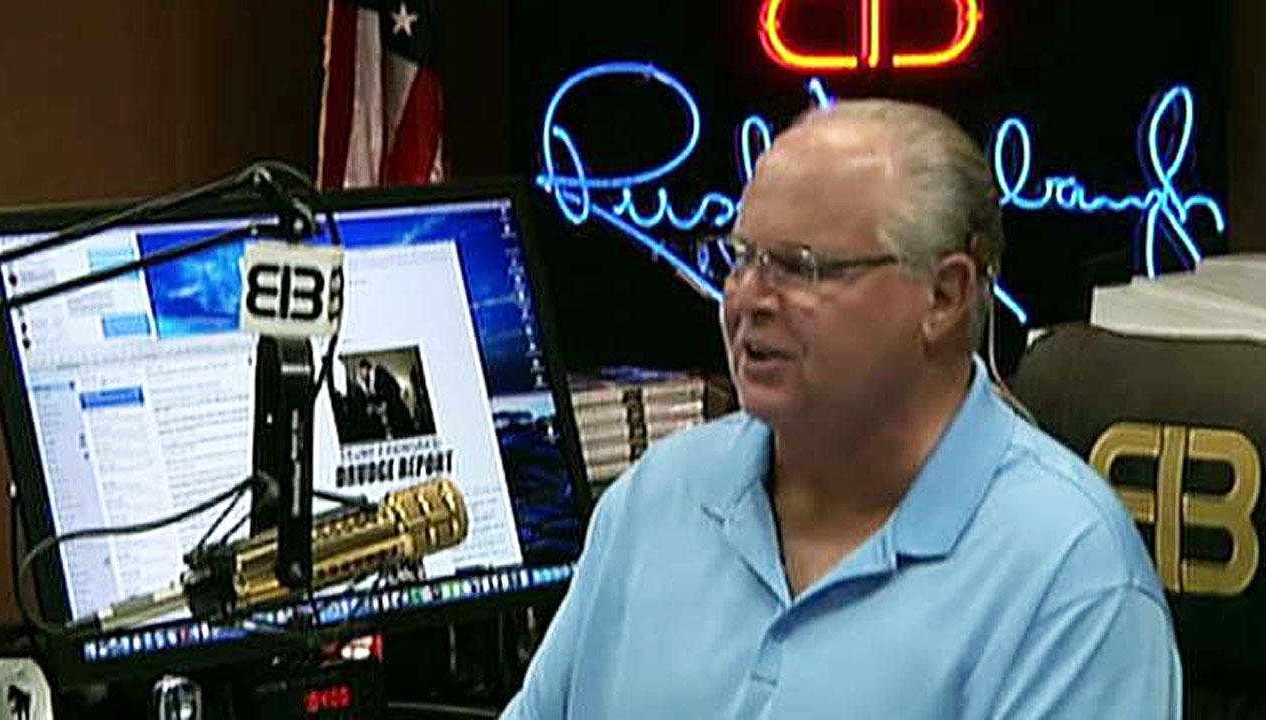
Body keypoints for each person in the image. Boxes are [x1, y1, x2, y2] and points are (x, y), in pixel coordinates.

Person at [503, 100, 1179, 718]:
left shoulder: (1069, 572)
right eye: (741, 259)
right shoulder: (656, 500)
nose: (748, 300)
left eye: (800, 268)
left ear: (943, 296)